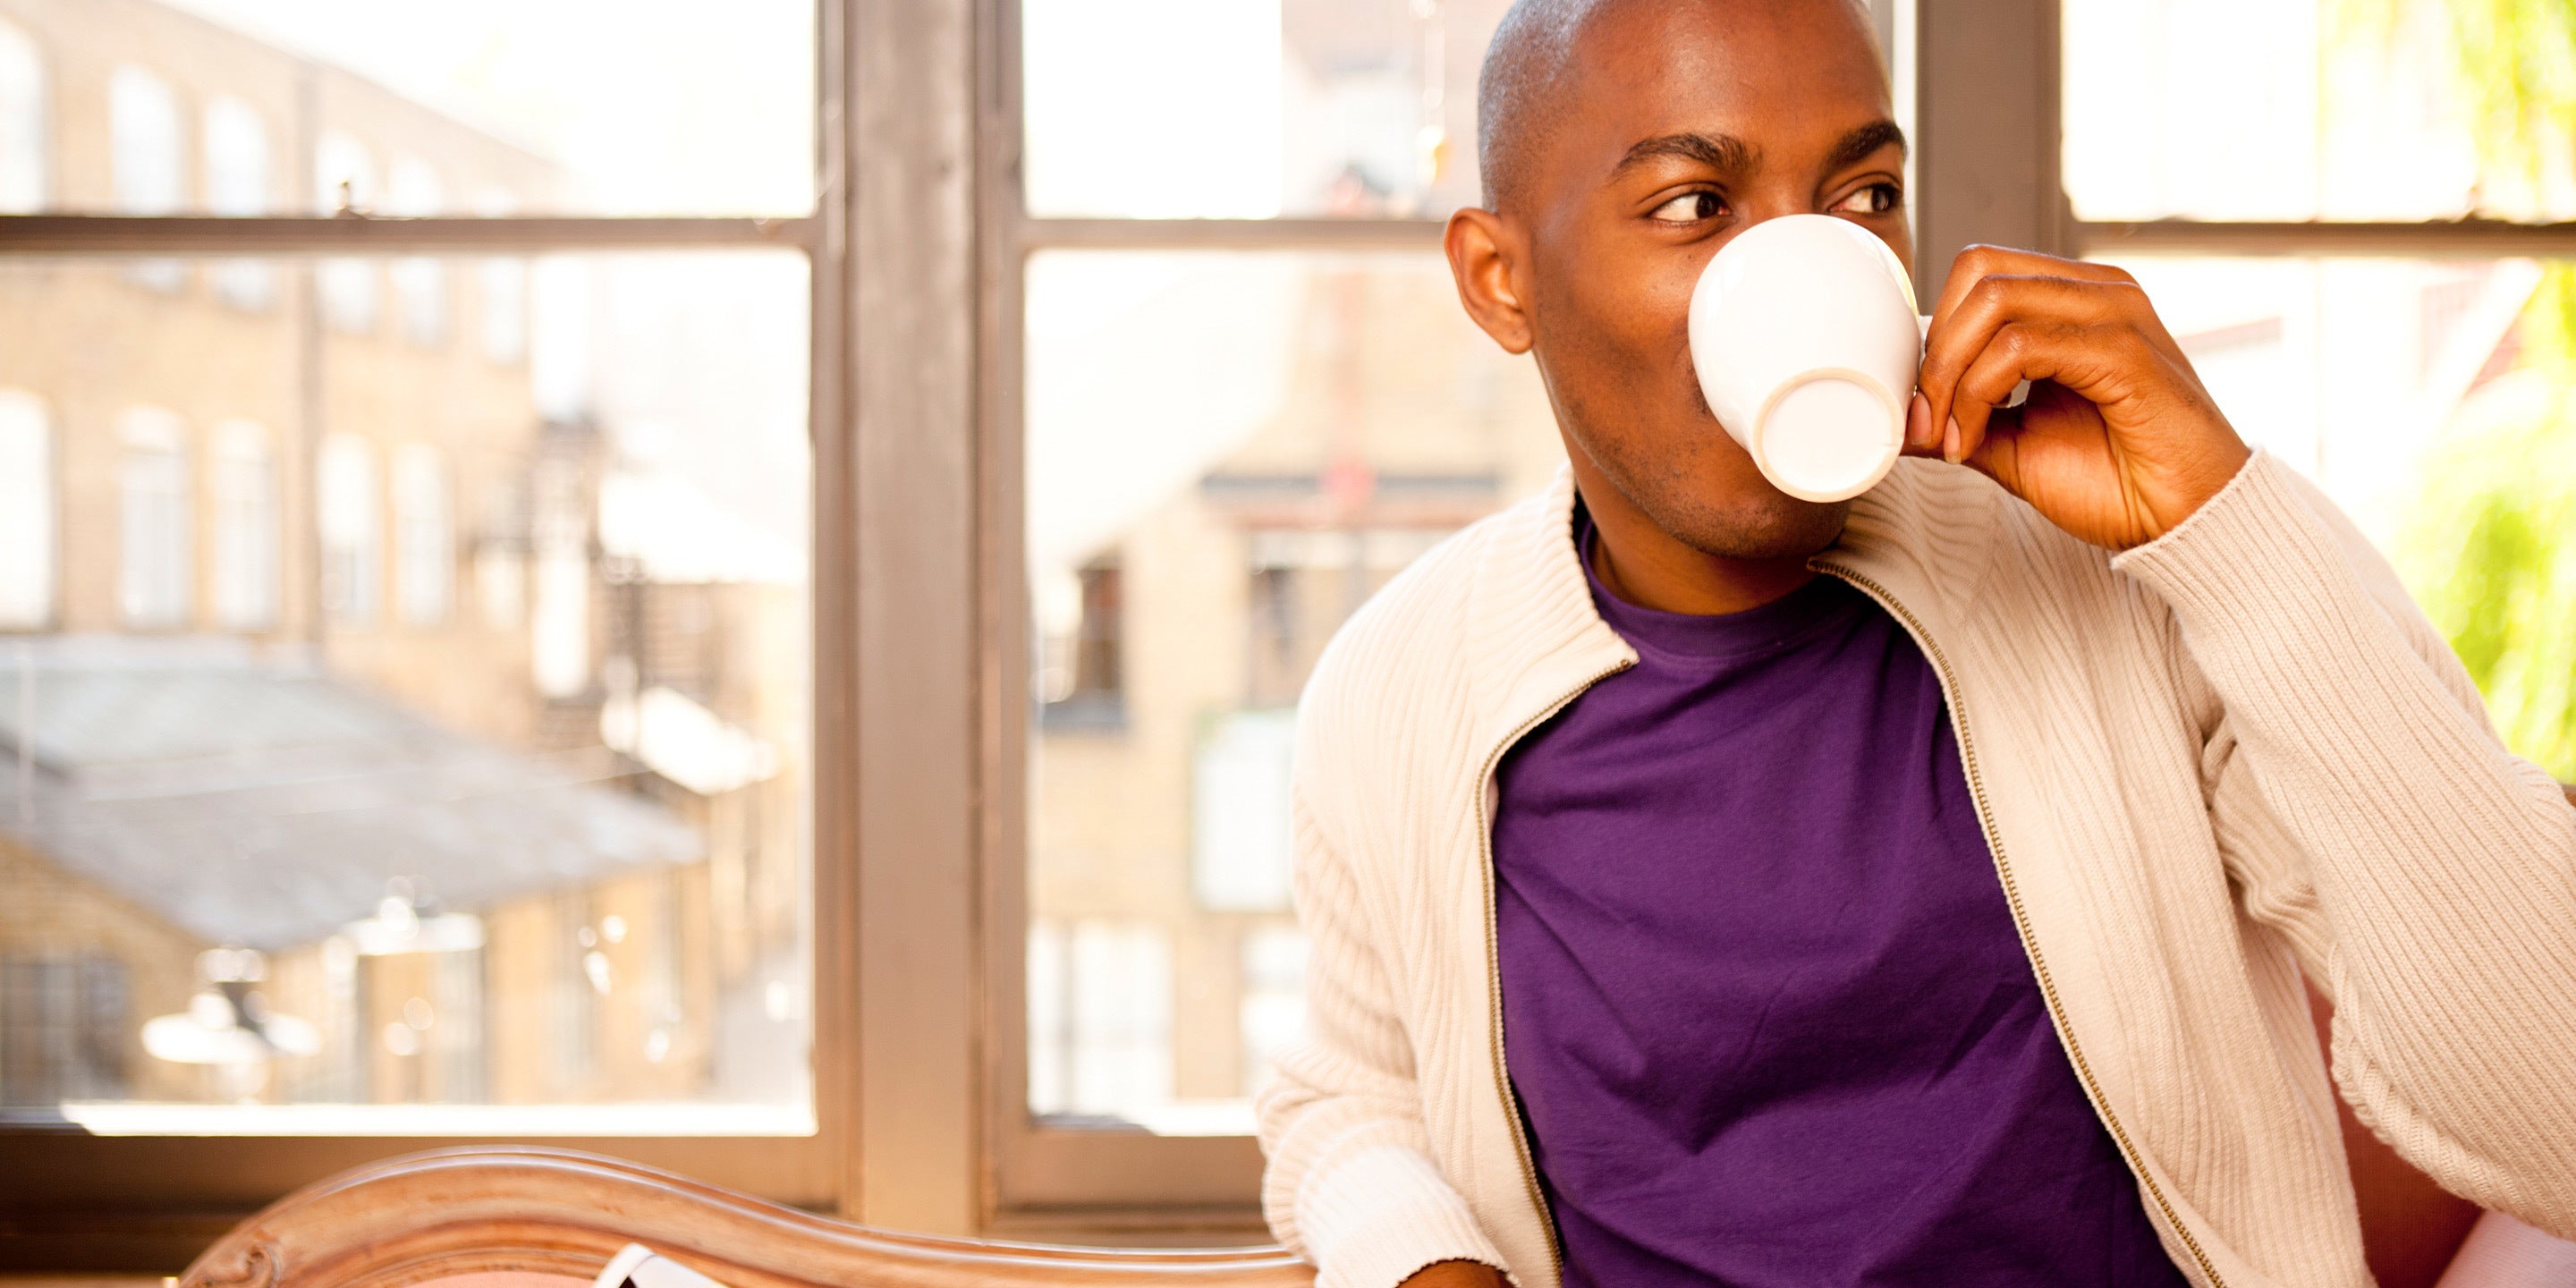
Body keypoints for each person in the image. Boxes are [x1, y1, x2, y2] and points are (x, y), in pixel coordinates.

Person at [1250, 1, 2576, 1285]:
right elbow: (1343, 1104)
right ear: (1502, 279)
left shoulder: (2126, 581)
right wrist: (1421, 1260)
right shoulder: (1399, 689)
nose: (1802, 268)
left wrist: (2226, 522)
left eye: (1861, 197)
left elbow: (2556, 1114)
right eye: (1695, 209)